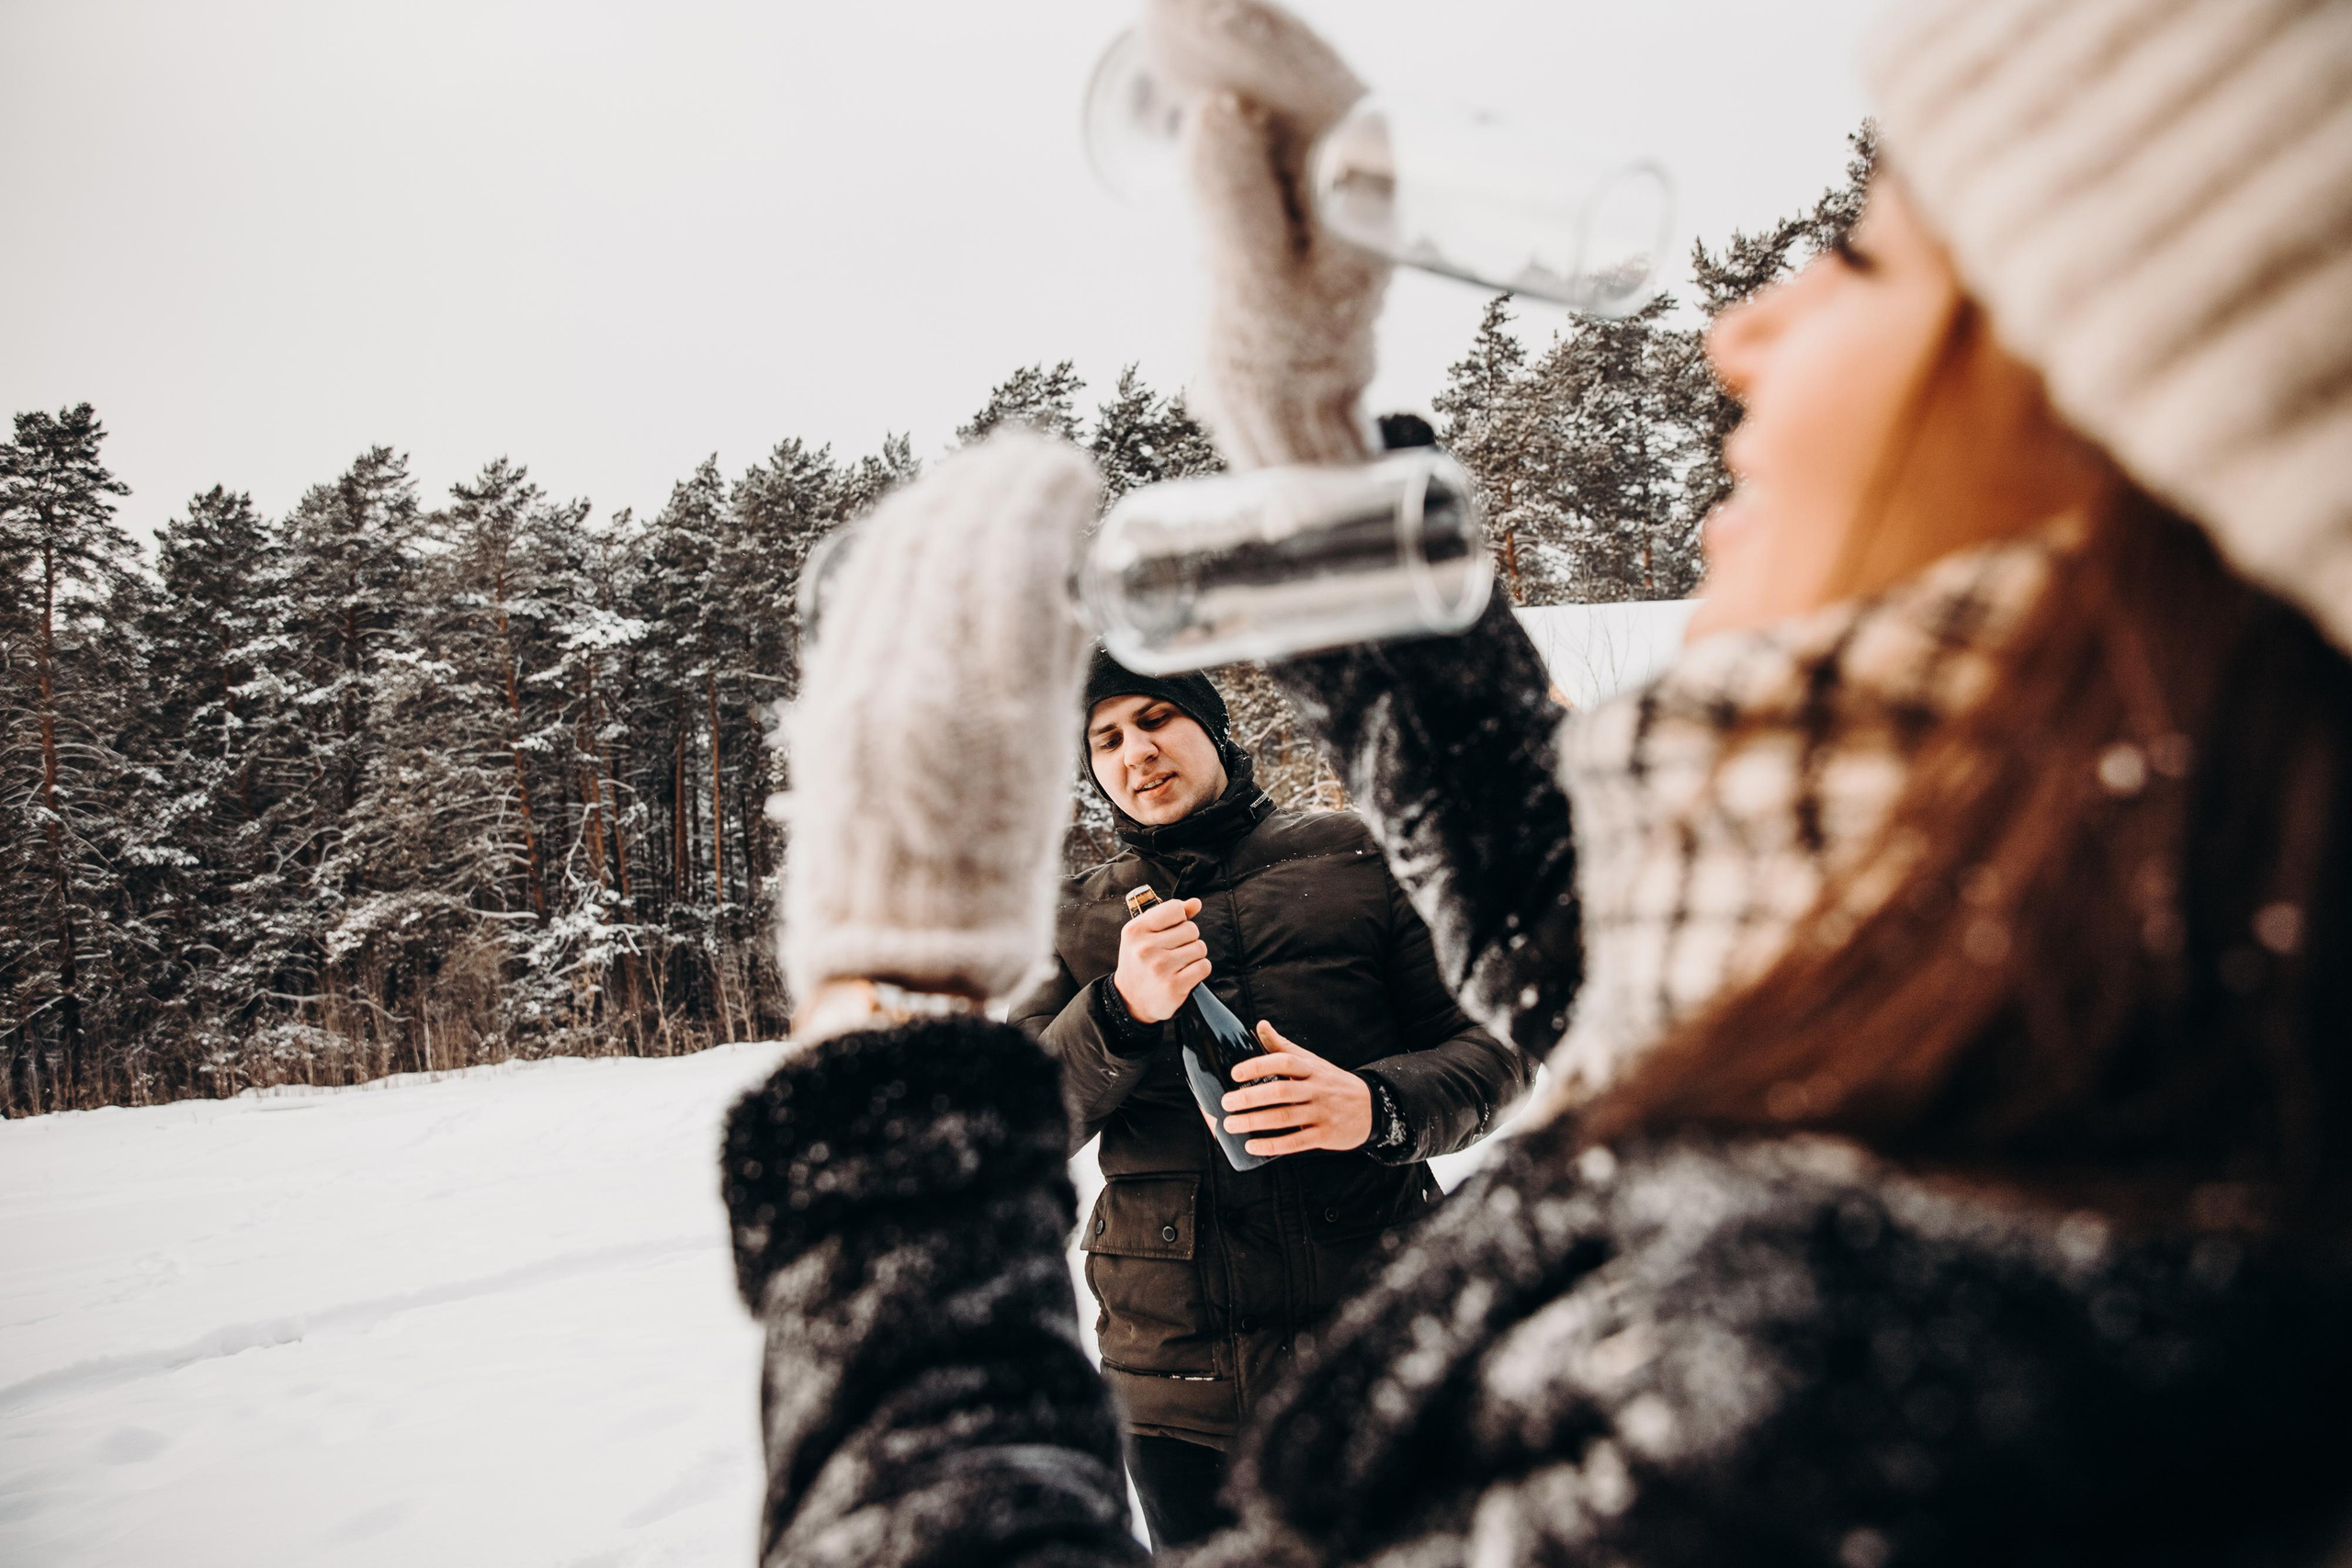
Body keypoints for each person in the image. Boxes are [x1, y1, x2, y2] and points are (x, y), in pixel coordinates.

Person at [725, 0, 2352, 1563]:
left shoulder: (1897, 1356)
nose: (1744, 325)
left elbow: (1511, 1027)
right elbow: (1603, 967)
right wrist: (1313, 445)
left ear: (2138, 420)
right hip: (1163, 1375)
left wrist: (900, 997)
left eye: (1863, 255)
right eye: (1106, 742)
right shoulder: (2071, 999)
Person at [1010, 652, 1532, 1550]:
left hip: (1380, 1344)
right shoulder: (1072, 921)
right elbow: (1016, 1122)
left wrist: (1372, 1105)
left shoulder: (1360, 860)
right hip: (1173, 1382)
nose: (1135, 751)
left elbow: (1494, 1050)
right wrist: (1118, 1007)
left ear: (1213, 727)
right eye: (1105, 738)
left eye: (1156, 719)